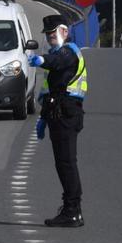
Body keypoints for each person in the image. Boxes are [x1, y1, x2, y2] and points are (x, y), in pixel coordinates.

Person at [28, 14, 88, 228]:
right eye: (48, 35)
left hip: (66, 113)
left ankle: (72, 210)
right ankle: (72, 209)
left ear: (64, 31)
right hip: (57, 113)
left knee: (67, 163)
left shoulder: (69, 52)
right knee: (63, 163)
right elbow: (49, 90)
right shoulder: (59, 53)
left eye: (53, 34)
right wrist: (43, 117)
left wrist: (42, 60)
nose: (51, 38)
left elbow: (57, 60)